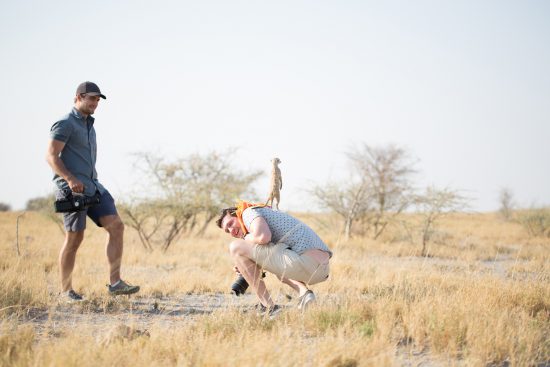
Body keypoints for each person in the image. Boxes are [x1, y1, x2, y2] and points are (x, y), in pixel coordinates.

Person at [46, 81, 140, 301]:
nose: (95, 103)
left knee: (116, 226)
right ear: (78, 97)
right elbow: (51, 156)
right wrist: (69, 179)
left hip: (93, 187)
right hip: (72, 190)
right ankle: (66, 291)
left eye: (98, 99)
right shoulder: (65, 123)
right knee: (74, 238)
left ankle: (116, 283)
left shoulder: (90, 124)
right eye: (91, 98)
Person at [216, 201, 332, 315]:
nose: (231, 231)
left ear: (236, 213)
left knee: (235, 247)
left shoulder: (247, 212)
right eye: (227, 231)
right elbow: (267, 251)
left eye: (230, 224)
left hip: (306, 262)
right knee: (276, 267)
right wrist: (245, 266)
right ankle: (305, 294)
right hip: (321, 269)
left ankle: (268, 307)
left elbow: (263, 237)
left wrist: (246, 237)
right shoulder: (261, 212)